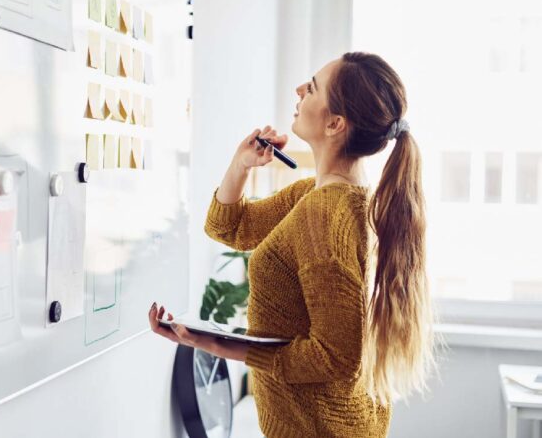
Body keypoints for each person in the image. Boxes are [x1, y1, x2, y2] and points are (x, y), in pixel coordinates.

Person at [148, 52, 437, 437]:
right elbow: (229, 228)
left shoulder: (325, 214)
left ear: (335, 123)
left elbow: (334, 357)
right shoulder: (323, 197)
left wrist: (216, 344)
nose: (299, 90)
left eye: (313, 87)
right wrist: (242, 164)